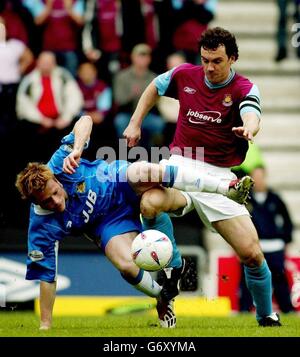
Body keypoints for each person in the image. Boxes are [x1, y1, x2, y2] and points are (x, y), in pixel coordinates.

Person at [15, 115, 252, 330]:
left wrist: (77, 149)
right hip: (108, 223)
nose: (56, 201)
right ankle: (164, 296)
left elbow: (85, 120)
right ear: (35, 202)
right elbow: (47, 277)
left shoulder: (60, 164)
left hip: (117, 181)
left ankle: (225, 188)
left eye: (56, 192)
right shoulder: (41, 227)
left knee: (143, 170)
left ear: (56, 179)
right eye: (47, 201)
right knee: (127, 266)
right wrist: (45, 326)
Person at [124, 27, 281, 327]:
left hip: (219, 175)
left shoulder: (244, 88)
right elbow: (154, 87)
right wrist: (135, 124)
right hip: (182, 165)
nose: (209, 67)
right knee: (149, 203)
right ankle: (173, 266)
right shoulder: (185, 75)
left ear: (232, 58)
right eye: (205, 60)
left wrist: (250, 128)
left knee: (252, 254)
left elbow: (252, 113)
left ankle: (266, 316)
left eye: (217, 61)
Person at [240, 166, 295, 313]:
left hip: (275, 246)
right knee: (248, 279)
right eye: (254, 177)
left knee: (279, 279)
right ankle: (244, 309)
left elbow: (287, 221)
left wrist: (285, 240)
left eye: (260, 176)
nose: (258, 180)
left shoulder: (275, 199)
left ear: (265, 177)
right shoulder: (245, 199)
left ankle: (287, 309)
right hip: (253, 246)